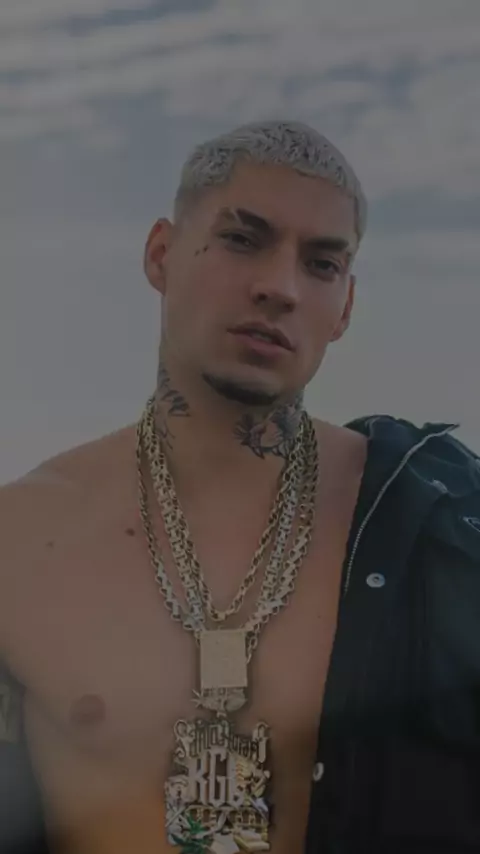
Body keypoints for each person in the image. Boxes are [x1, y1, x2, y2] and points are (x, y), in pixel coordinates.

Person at [1, 119, 480, 854]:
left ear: (345, 307)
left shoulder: (434, 524)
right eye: (241, 239)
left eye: (321, 264)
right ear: (161, 254)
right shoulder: (21, 538)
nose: (279, 288)